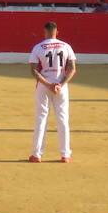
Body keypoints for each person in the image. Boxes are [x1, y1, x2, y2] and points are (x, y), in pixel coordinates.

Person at [29, 21, 76, 163]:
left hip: (44, 86)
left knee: (41, 118)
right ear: (57, 32)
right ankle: (65, 154)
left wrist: (48, 84)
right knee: (63, 119)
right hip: (61, 86)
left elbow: (33, 70)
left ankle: (36, 155)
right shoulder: (66, 46)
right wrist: (60, 84)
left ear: (45, 32)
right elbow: (72, 68)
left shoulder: (38, 48)